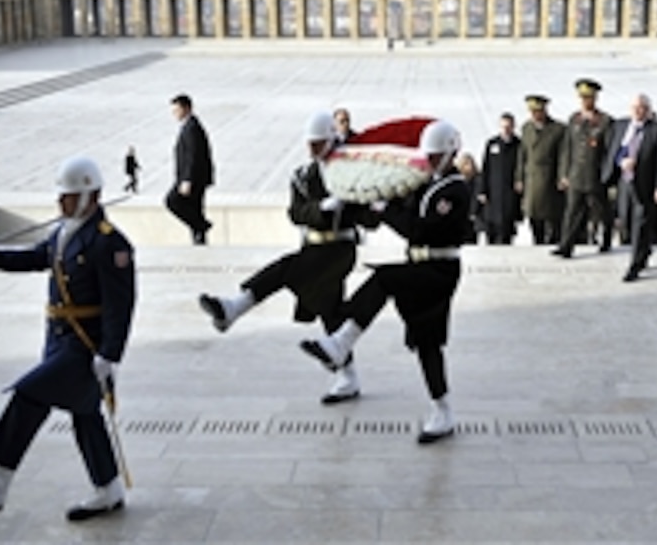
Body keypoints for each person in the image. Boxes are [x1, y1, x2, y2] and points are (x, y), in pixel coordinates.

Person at [0, 156, 136, 521]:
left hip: (85, 347)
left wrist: (110, 355)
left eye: (68, 196)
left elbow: (121, 304)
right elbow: (37, 258)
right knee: (85, 415)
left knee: (29, 394)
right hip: (58, 341)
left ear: (89, 196)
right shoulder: (65, 231)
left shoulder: (109, 244)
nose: (60, 203)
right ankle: (108, 489)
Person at [299, 120, 469, 445]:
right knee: (426, 342)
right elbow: (399, 207)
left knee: (385, 278)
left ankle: (341, 342)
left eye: (435, 157)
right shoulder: (427, 183)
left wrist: (385, 208)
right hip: (420, 264)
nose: (429, 162)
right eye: (428, 156)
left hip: (440, 269)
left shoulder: (453, 191)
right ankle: (442, 409)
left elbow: (416, 229)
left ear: (450, 153)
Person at [197, 113, 378, 404]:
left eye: (318, 144)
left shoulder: (352, 174)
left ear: (331, 141)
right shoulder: (303, 177)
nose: (312, 150)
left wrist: (371, 205)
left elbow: (369, 220)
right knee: (330, 311)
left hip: (339, 249)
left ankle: (236, 306)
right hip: (314, 247)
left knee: (287, 269)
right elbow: (296, 213)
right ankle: (347, 376)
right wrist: (323, 207)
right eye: (310, 144)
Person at [603, 94, 657, 282]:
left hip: (646, 184)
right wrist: (620, 162)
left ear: (648, 110)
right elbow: (613, 150)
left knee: (640, 224)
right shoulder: (620, 126)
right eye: (635, 107)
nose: (638, 110)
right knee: (626, 221)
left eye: (642, 107)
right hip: (624, 182)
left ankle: (635, 264)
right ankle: (645, 250)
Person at [553, 78, 613, 258]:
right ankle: (566, 246)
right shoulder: (574, 119)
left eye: (589, 98)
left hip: (595, 175)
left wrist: (607, 175)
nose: (585, 101)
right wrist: (564, 173)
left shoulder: (604, 121)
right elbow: (567, 149)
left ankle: (606, 240)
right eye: (582, 98)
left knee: (601, 211)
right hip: (576, 175)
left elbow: (608, 150)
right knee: (571, 212)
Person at [515, 95, 565, 245]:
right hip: (531, 177)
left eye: (538, 111)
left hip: (549, 176)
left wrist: (562, 176)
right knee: (533, 214)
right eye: (532, 111)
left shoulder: (557, 129)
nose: (535, 115)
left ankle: (552, 241)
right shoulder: (526, 128)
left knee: (551, 214)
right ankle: (538, 241)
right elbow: (522, 155)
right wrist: (519, 178)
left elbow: (563, 156)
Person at [165, 94, 215, 244]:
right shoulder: (189, 126)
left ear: (186, 108)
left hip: (193, 179)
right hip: (192, 178)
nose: (174, 114)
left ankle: (202, 226)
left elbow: (193, 155)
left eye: (177, 110)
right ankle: (199, 235)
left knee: (172, 201)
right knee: (194, 209)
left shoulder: (192, 128)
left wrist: (187, 179)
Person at [478, 112, 522, 244]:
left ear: (513, 126)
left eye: (509, 126)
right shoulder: (492, 144)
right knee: (491, 227)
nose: (506, 129)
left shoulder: (519, 145)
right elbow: (485, 168)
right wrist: (482, 190)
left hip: (510, 193)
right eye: (504, 126)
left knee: (506, 227)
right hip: (493, 193)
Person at [455, 152, 484, 244]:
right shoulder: (457, 179)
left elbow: (476, 196)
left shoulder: (478, 179)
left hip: (473, 217)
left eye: (470, 163)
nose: (468, 167)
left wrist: (473, 212)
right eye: (465, 164)